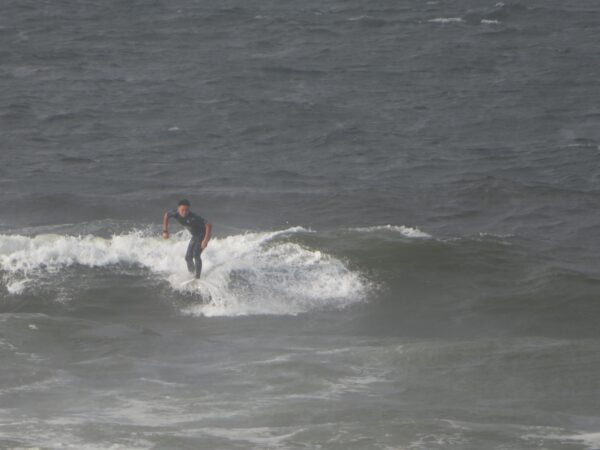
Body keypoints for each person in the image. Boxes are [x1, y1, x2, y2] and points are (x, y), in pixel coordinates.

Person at [162, 199, 212, 279]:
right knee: (188, 257)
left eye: (187, 210)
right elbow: (166, 215)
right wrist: (165, 230)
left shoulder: (193, 216)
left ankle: (197, 278)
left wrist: (205, 240)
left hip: (203, 235)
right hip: (195, 236)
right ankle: (192, 275)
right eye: (182, 210)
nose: (184, 212)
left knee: (196, 254)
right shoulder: (175, 213)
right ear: (178, 209)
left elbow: (208, 225)